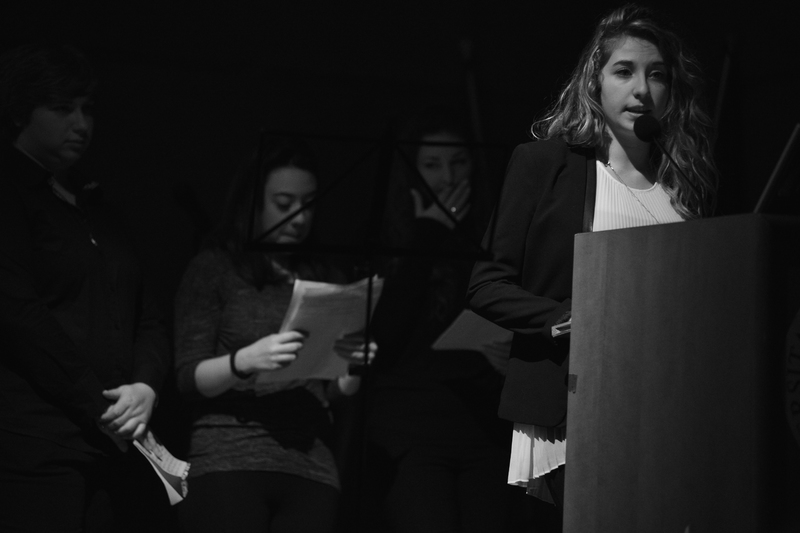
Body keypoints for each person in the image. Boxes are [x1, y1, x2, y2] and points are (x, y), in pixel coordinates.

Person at [466, 4, 719, 521]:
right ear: (594, 82)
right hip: (575, 397)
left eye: (657, 75)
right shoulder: (546, 164)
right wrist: (565, 320)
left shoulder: (684, 185)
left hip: (667, 400)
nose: (642, 89)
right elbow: (486, 283)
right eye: (624, 71)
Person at [0, 44, 171, 531]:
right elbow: (20, 317)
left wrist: (146, 386)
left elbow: (146, 314)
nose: (81, 124)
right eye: (62, 108)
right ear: (22, 112)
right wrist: (100, 405)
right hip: (37, 443)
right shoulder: (11, 194)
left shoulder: (94, 203)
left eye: (87, 109)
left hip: (111, 444)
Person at [174, 135, 374, 533]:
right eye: (284, 204)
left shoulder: (326, 276)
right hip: (230, 456)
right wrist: (245, 360)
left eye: (308, 204)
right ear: (254, 202)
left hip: (311, 464)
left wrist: (350, 369)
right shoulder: (216, 268)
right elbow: (187, 378)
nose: (298, 217)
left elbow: (329, 392)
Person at [366, 107, 515, 532]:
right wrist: (429, 233)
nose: (448, 177)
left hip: (482, 423)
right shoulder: (387, 238)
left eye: (458, 162)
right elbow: (383, 339)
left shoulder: (492, 235)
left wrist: (510, 356)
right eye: (432, 165)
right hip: (408, 426)